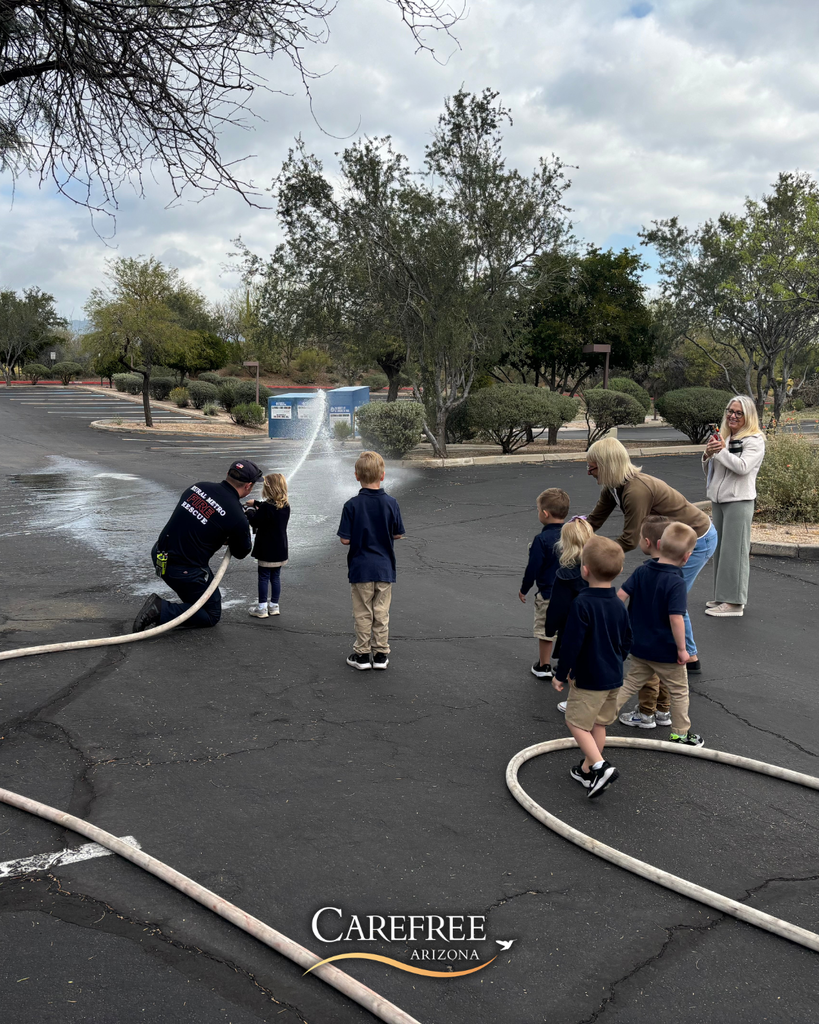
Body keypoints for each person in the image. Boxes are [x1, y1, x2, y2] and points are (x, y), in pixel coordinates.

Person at [586, 436, 717, 673]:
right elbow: (594, 520)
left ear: (607, 466)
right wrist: (573, 534)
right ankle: (675, 653)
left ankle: (688, 656)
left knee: (671, 600)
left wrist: (597, 558)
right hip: (667, 542)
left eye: (592, 467)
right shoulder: (614, 488)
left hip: (694, 541)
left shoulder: (635, 491)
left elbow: (629, 539)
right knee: (659, 597)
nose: (588, 472)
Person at [132, 459, 261, 632]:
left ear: (227, 475)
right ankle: (160, 610)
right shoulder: (237, 516)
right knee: (210, 613)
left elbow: (198, 522)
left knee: (199, 597)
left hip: (160, 555)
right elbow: (241, 551)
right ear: (248, 486)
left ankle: (183, 603)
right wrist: (244, 527)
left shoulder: (198, 487)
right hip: (183, 570)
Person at [552, 536, 632, 799]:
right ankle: (587, 769)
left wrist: (560, 674)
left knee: (575, 723)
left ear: (584, 570)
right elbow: (628, 640)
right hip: (613, 678)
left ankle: (600, 766)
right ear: (620, 570)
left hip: (589, 678)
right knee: (598, 724)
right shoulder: (618, 604)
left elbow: (571, 644)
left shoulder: (582, 604)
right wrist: (615, 660)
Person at [615, 522, 705, 747]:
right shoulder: (676, 583)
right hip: (666, 652)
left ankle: (599, 719)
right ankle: (680, 734)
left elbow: (620, 596)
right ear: (686, 557)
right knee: (679, 691)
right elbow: (676, 618)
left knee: (629, 684)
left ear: (658, 545)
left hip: (639, 646)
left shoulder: (642, 571)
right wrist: (683, 650)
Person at [337, 450, 405, 671]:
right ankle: (381, 653)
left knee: (363, 612)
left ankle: (363, 654)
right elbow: (397, 534)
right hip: (385, 567)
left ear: (356, 475)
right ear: (383, 475)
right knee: (381, 611)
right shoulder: (392, 503)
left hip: (360, 567)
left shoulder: (351, 505)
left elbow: (345, 540)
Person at [702, 394, 766, 618]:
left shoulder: (755, 440)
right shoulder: (727, 438)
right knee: (720, 551)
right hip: (720, 501)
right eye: (730, 411)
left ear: (748, 416)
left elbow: (742, 467)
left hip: (739, 501)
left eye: (739, 413)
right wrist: (708, 455)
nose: (733, 416)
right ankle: (723, 596)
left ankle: (735, 603)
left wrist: (719, 451)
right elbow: (714, 470)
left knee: (734, 552)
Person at [617, 515, 673, 729]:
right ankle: (663, 711)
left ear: (649, 543)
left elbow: (621, 596)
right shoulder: (675, 575)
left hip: (643, 636)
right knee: (665, 674)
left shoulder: (642, 572)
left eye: (641, 537)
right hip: (668, 637)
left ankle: (646, 713)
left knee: (647, 675)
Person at [542, 515, 594, 713]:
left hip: (573, 625)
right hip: (596, 622)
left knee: (573, 661)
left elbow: (558, 605)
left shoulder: (566, 574)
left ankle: (576, 703)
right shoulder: (596, 566)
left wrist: (550, 627)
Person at [519, 488, 569, 681]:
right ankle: (566, 666)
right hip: (571, 593)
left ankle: (544, 665)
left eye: (539, 510)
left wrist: (525, 588)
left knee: (546, 630)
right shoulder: (572, 535)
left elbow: (533, 567)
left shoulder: (541, 540)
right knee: (567, 630)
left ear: (545, 513)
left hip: (548, 592)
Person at [245, 472, 290, 619]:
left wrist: (250, 511)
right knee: (275, 577)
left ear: (268, 489)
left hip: (266, 549)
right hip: (280, 549)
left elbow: (256, 521)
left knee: (263, 577)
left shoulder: (266, 508)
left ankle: (262, 608)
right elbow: (269, 508)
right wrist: (257, 503)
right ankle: (274, 606)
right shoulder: (285, 506)